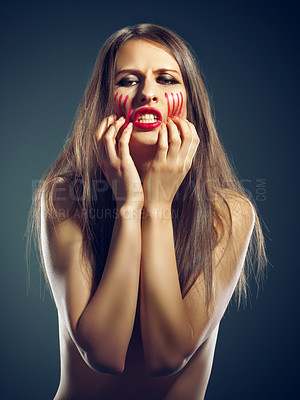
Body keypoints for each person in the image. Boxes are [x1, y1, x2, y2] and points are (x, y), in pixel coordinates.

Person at [31, 23, 266, 400]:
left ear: (190, 103)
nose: (148, 94)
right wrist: (130, 205)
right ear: (103, 102)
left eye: (167, 79)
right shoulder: (64, 198)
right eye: (127, 80)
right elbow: (104, 354)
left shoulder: (229, 212)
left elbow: (168, 356)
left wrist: (157, 204)